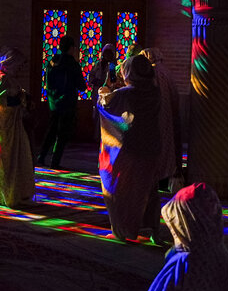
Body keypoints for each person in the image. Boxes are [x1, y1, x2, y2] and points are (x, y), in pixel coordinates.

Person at [97, 54, 164, 241]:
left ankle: (124, 230)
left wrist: (107, 88)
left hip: (129, 149)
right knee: (148, 189)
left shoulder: (125, 94)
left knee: (120, 188)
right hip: (151, 146)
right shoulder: (154, 91)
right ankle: (152, 228)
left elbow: (105, 105)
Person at [0, 47, 35, 207]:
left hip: (13, 125)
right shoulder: (2, 78)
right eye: (18, 66)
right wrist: (22, 98)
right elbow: (4, 102)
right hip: (6, 128)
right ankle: (9, 195)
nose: (20, 69)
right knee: (8, 160)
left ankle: (15, 193)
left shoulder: (5, 77)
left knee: (16, 158)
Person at [36, 34, 85, 170]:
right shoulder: (72, 64)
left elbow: (48, 81)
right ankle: (55, 160)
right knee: (62, 133)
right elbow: (81, 85)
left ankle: (41, 156)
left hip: (53, 102)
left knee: (51, 130)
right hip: (67, 103)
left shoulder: (52, 62)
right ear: (71, 48)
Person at [142, 47, 183, 190]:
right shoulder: (166, 72)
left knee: (158, 150)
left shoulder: (152, 73)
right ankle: (166, 177)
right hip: (168, 117)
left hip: (156, 118)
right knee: (167, 149)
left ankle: (158, 179)